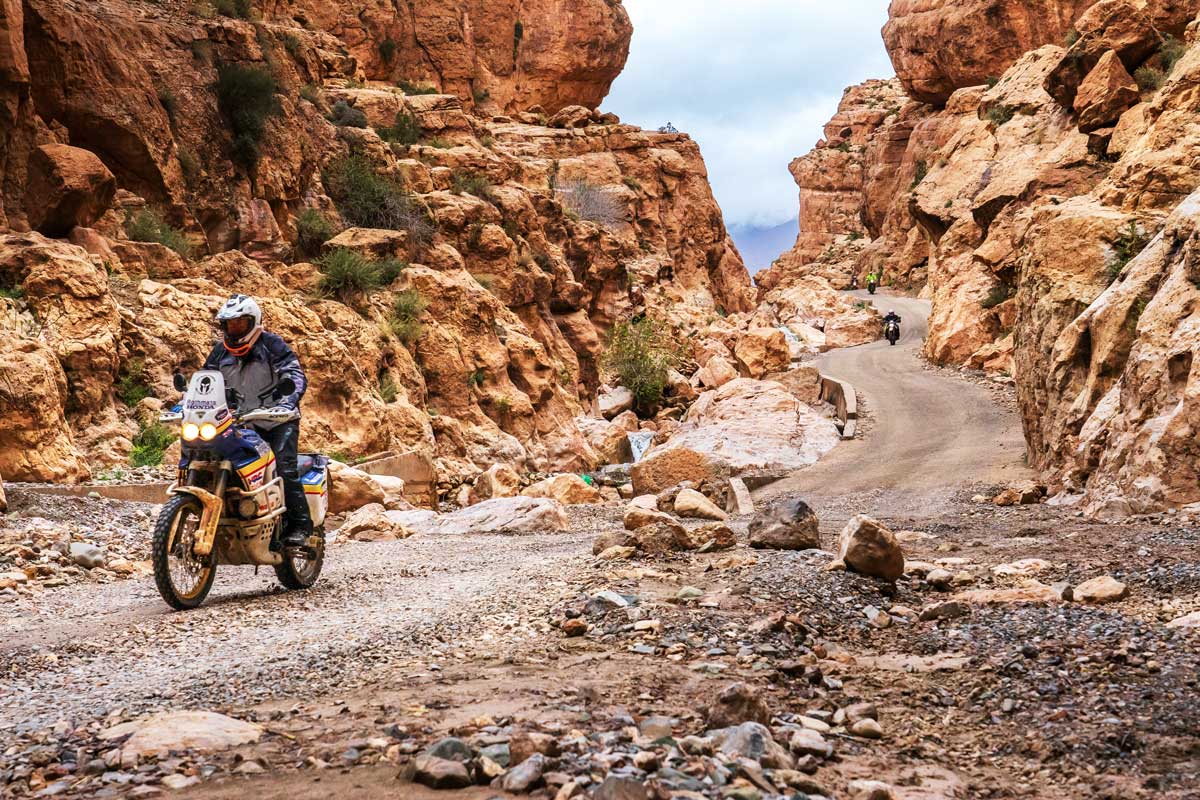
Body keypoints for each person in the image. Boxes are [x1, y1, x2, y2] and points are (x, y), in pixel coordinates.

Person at [203, 295, 312, 548]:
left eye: (240, 324)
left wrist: (289, 399)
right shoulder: (220, 351)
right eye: (230, 325)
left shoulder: (272, 344)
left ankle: (301, 526)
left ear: (253, 322)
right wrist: (186, 401)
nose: (234, 330)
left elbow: (294, 373)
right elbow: (205, 379)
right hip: (240, 421)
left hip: (276, 420)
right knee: (218, 462)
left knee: (283, 469)